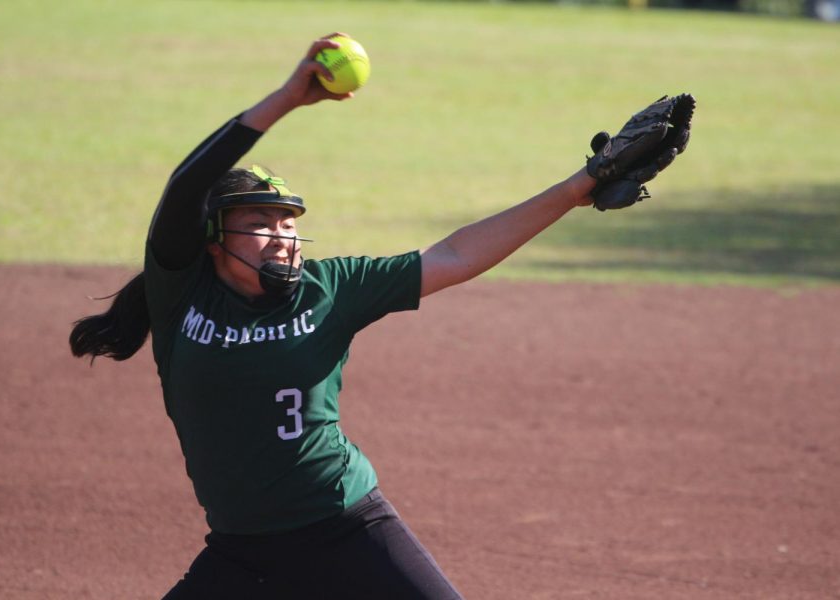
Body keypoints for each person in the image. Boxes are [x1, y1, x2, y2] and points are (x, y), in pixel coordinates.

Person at [70, 34, 688, 600]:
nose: (280, 236)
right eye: (259, 223)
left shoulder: (329, 287)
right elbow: (186, 182)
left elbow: (455, 253)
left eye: (287, 222)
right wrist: (287, 99)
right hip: (242, 557)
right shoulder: (181, 295)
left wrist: (583, 183)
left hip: (348, 529)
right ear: (211, 240)